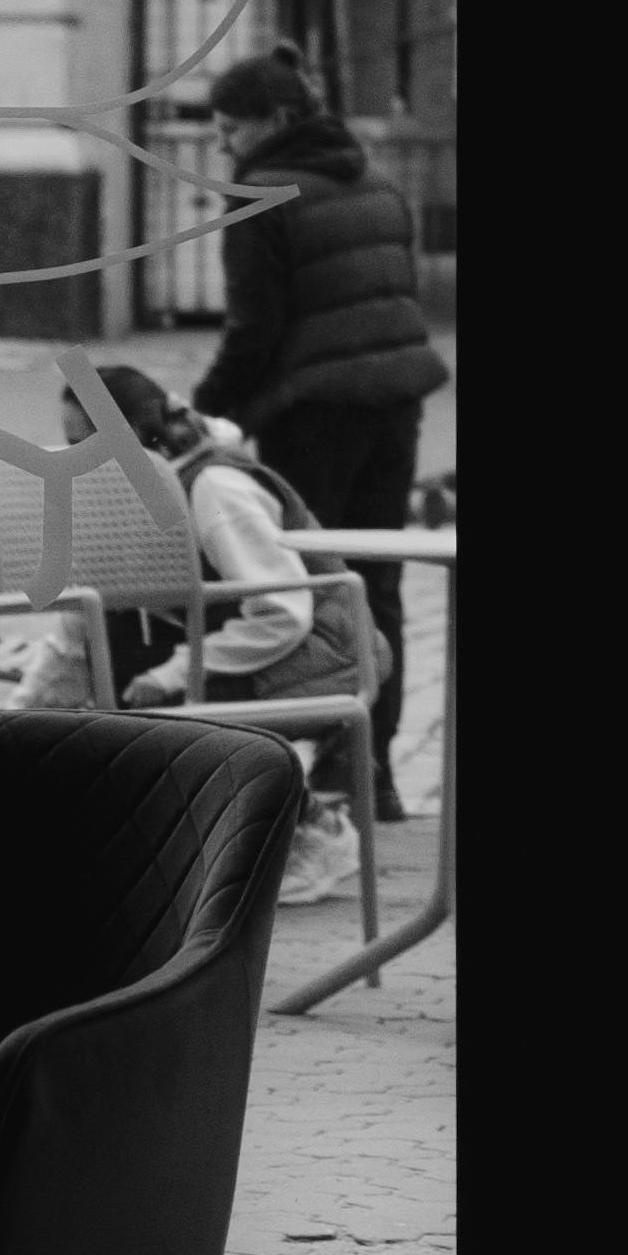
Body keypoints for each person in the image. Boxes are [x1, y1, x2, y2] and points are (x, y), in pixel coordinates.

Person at [191, 40, 447, 819]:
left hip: (313, 414)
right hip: (395, 405)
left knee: (314, 588)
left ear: (273, 119)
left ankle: (327, 765)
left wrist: (206, 417)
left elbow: (255, 331)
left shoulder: (261, 194)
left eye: (230, 128)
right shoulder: (374, 179)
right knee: (379, 579)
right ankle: (375, 773)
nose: (224, 145)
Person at [52, 363, 392, 896]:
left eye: (84, 444)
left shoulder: (216, 488)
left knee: (160, 715)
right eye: (68, 444)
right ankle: (196, 846)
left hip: (330, 651)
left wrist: (172, 673)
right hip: (274, 642)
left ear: (132, 435)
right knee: (121, 676)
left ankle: (314, 832)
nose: (75, 461)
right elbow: (89, 613)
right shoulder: (145, 486)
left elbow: (283, 612)